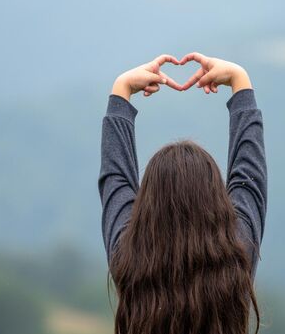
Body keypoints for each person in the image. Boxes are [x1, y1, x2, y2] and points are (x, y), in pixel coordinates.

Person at [99, 52, 267, 334]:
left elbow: (115, 177)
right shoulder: (238, 256)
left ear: (147, 207)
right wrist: (240, 81)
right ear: (217, 205)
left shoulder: (128, 261)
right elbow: (250, 176)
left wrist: (122, 90)